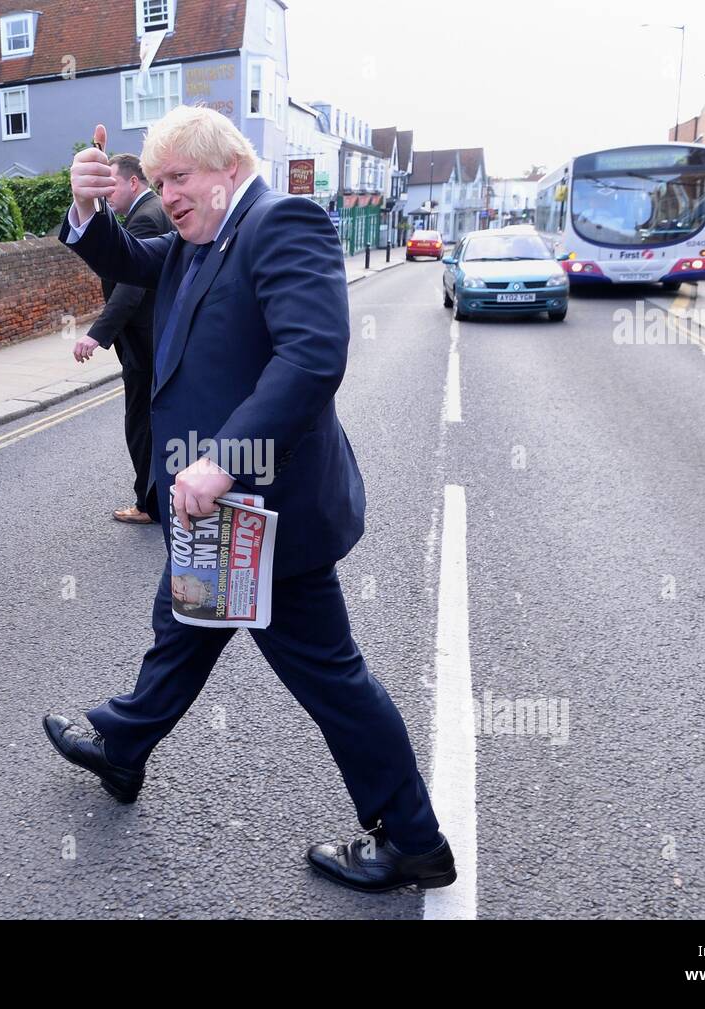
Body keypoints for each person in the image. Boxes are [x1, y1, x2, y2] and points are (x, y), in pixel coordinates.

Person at [42, 108, 456, 894]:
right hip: (219, 516)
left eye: (178, 180)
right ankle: (123, 747)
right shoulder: (200, 240)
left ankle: (414, 839)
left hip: (268, 513)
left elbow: (312, 357)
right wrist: (88, 207)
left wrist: (225, 463)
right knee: (184, 623)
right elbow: (128, 254)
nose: (165, 197)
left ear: (227, 168)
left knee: (330, 678)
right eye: (157, 183)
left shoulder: (281, 222)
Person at [72, 153, 175, 524]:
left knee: (141, 425)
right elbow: (119, 255)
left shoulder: (147, 217)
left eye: (113, 184)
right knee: (154, 421)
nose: (109, 193)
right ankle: (161, 497)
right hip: (157, 339)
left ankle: (149, 504)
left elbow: (130, 285)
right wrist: (87, 204)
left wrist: (97, 335)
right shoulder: (152, 212)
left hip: (144, 343)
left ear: (134, 182)